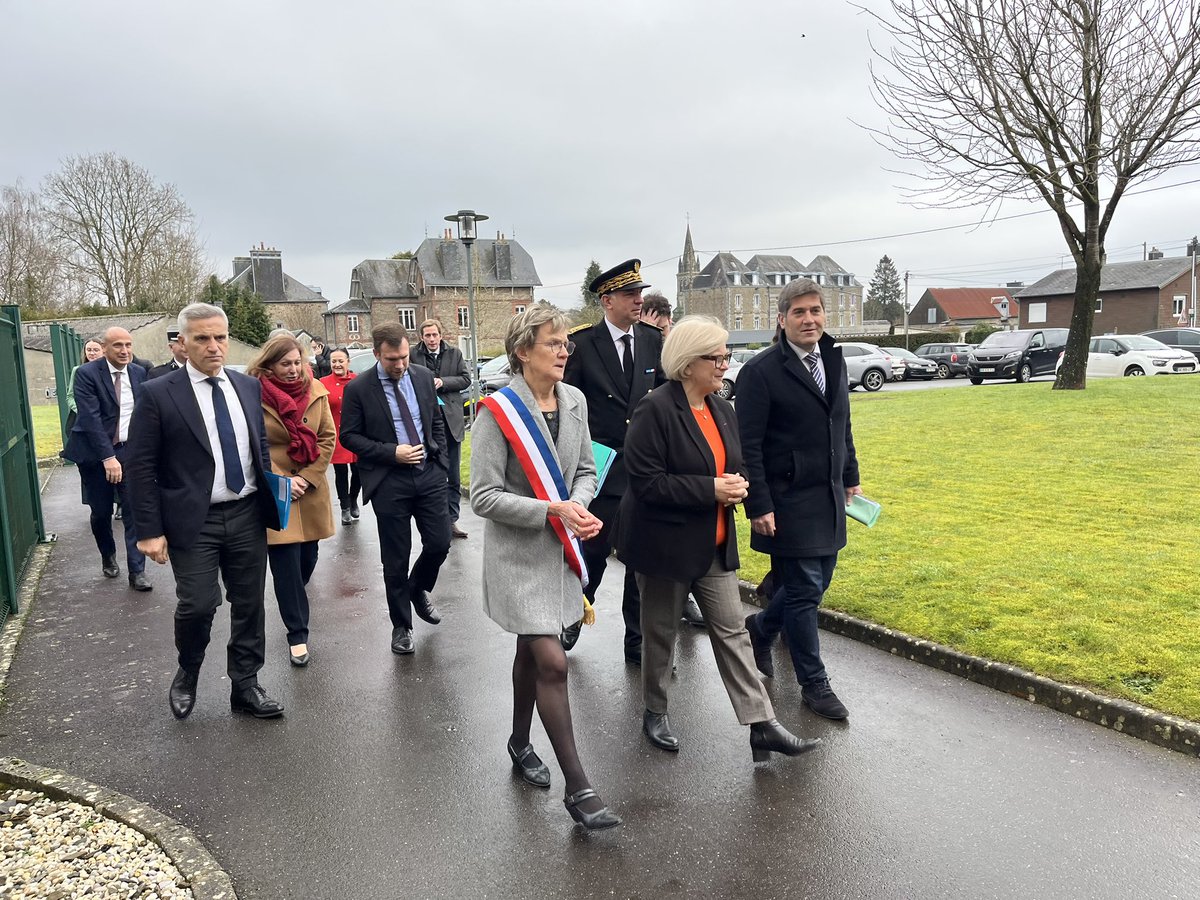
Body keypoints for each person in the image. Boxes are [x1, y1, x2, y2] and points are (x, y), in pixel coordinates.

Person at [617, 316, 821, 760]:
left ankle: (761, 724)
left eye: (726, 355)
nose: (725, 364)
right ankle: (655, 710)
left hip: (714, 543)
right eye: (718, 357)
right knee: (660, 634)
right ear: (689, 363)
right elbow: (647, 483)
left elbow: (739, 464)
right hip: (664, 546)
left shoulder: (722, 408)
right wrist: (710, 488)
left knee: (733, 633)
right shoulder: (654, 409)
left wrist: (740, 484)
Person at [471, 305, 620, 831]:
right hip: (517, 558)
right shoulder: (496, 412)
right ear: (522, 351)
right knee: (553, 663)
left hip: (558, 554)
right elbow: (483, 497)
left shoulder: (574, 401)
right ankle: (579, 789)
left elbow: (585, 469)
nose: (563, 351)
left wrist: (576, 506)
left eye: (565, 344)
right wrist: (551, 511)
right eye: (553, 343)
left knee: (529, 654)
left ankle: (518, 740)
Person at [127, 302, 285, 721]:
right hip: (194, 520)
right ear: (182, 342)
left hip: (248, 512)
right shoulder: (158, 393)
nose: (214, 346)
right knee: (197, 604)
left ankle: (246, 684)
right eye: (202, 338)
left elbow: (259, 447)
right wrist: (148, 530)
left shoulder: (246, 386)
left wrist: (273, 490)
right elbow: (140, 467)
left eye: (220, 337)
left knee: (250, 603)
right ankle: (189, 667)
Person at [738, 279, 863, 721]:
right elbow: (747, 446)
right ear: (781, 318)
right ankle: (815, 683)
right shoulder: (761, 371)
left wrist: (850, 475)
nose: (809, 319)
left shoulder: (833, 358)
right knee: (806, 588)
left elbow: (841, 422)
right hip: (786, 497)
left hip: (827, 492)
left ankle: (761, 626)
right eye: (799, 313)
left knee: (815, 582)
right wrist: (759, 504)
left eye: (815, 311)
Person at [562, 258, 665, 664]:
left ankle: (637, 640)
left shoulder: (654, 340)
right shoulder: (583, 345)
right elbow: (567, 406)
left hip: (645, 470)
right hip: (602, 469)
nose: (639, 301)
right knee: (595, 551)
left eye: (640, 293)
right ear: (607, 300)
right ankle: (574, 612)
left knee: (641, 558)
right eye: (629, 295)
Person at [339, 324, 451, 656]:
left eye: (403, 356)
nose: (399, 364)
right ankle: (401, 626)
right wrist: (391, 452)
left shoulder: (419, 376)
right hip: (390, 481)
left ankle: (417, 589)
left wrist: (441, 461)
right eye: (391, 359)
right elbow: (349, 436)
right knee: (395, 558)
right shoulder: (359, 389)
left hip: (428, 473)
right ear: (377, 354)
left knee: (440, 542)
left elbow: (435, 421)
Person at [248, 335, 335, 668]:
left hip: (309, 488)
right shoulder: (254, 394)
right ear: (270, 365)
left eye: (297, 362)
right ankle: (297, 634)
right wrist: (281, 479)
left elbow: (327, 438)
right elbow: (252, 444)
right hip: (276, 490)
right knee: (285, 564)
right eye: (286, 364)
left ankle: (294, 598)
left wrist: (307, 477)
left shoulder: (316, 391)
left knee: (306, 561)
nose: (294, 369)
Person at [62, 327, 151, 592]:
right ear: (104, 347)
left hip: (129, 452)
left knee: (134, 511)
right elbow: (89, 418)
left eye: (128, 345)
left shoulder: (138, 373)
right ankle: (107, 554)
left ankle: (138, 571)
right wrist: (108, 457)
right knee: (101, 512)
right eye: (118, 346)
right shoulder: (86, 374)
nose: (124, 351)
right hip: (93, 453)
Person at [410, 319, 471, 538]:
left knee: (453, 474)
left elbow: (466, 379)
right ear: (421, 337)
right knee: (428, 472)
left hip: (451, 421)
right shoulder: (413, 355)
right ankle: (432, 520)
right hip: (424, 421)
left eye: (435, 335)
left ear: (441, 334)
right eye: (427, 335)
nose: (432, 339)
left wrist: (442, 382)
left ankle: (452, 520)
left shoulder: (454, 354)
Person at [319, 348, 361, 525]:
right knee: (341, 472)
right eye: (333, 361)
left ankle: (353, 499)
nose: (337, 364)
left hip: (356, 433)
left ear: (348, 362)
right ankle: (344, 507)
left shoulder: (357, 381)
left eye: (340, 361)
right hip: (334, 434)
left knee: (358, 470)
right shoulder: (322, 382)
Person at [65, 339, 104, 414]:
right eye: (89, 350)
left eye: (96, 350)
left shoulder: (109, 371)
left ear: (103, 352)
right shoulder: (77, 370)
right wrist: (81, 411)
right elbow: (70, 396)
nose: (92, 353)